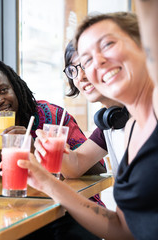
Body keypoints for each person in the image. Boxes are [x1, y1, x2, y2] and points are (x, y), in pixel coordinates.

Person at [19, 12, 158, 239]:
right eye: (87, 60)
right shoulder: (130, 129)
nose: (97, 63)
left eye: (108, 44)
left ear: (145, 46)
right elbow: (123, 230)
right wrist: (45, 181)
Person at [0, 58, 105, 240]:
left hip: (69, 211)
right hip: (15, 214)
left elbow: (99, 168)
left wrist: (34, 149)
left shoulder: (51, 115)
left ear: (15, 88)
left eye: (3, 90)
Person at [51, 40, 128, 178]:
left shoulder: (147, 112)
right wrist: (53, 150)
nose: (80, 77)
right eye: (73, 70)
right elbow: (75, 167)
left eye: (86, 64)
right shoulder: (110, 123)